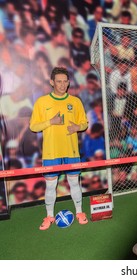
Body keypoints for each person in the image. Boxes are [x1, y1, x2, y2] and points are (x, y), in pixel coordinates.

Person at [29, 67, 89, 230]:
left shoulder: (75, 101)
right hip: (51, 152)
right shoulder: (42, 102)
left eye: (65, 82)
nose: (62, 85)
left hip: (71, 151)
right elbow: (33, 126)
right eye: (59, 81)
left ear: (69, 83)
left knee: (74, 183)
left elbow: (84, 123)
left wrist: (77, 127)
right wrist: (50, 122)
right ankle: (49, 216)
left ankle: (79, 212)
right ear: (51, 82)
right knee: (50, 186)